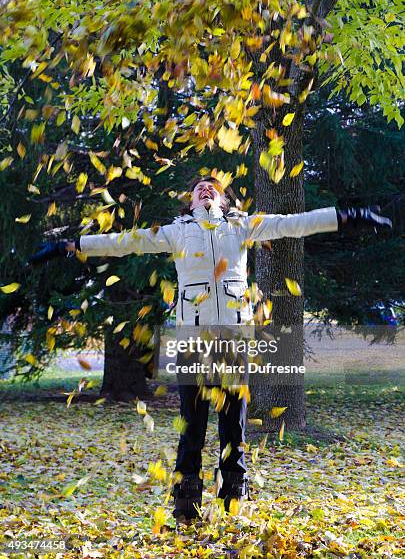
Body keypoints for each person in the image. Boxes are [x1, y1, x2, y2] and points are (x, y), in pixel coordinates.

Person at [29, 177, 392, 522]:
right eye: (200, 189)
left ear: (223, 200)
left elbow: (295, 222)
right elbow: (126, 241)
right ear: (191, 201)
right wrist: (72, 246)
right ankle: (186, 507)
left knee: (234, 428)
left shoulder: (242, 226)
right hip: (194, 341)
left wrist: (347, 217)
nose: (206, 190)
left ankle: (233, 503)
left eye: (213, 189)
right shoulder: (175, 232)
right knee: (193, 429)